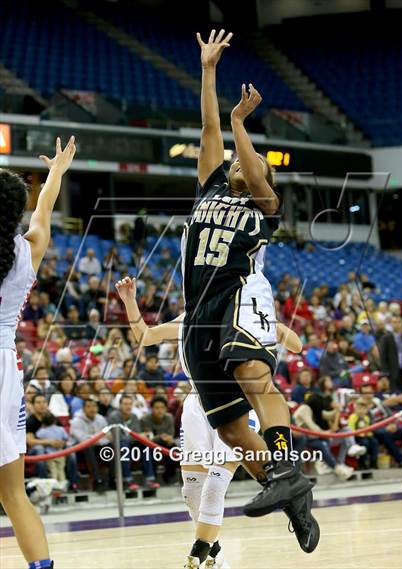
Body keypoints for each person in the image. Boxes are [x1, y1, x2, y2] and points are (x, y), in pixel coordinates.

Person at [174, 32, 317, 561]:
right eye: (233, 161)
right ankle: (292, 494)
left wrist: (241, 126)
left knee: (257, 380)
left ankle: (285, 465)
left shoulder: (264, 204)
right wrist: (208, 71)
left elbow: (252, 169)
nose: (237, 164)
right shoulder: (210, 188)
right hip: (197, 317)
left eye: (246, 161)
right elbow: (208, 127)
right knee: (232, 428)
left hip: (240, 298)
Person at [115, 273, 311, 569]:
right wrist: (130, 301)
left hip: (236, 404)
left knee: (215, 485)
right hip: (196, 404)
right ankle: (215, 556)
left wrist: (270, 321)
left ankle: (196, 556)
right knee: (191, 489)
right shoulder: (188, 318)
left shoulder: (246, 316)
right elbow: (145, 336)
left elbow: (295, 345)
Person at [0, 135, 75, 569]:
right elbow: (44, 209)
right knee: (12, 493)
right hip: (5, 370)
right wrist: (56, 173)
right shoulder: (28, 250)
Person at [36, 412, 69, 482]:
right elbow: (66, 438)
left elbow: (37, 436)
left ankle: (55, 487)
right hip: (60, 454)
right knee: (61, 470)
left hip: (50, 455)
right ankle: (63, 485)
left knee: (53, 471)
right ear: (55, 421)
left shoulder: (42, 431)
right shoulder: (61, 429)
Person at [347, 399, 379, 469]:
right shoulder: (353, 417)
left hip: (365, 436)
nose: (361, 411)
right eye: (359, 409)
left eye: (363, 409)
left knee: (374, 442)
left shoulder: (366, 418)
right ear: (355, 409)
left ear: (366, 410)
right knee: (365, 443)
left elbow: (368, 429)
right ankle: (362, 463)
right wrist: (360, 433)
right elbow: (350, 430)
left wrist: (369, 433)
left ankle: (373, 462)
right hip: (356, 437)